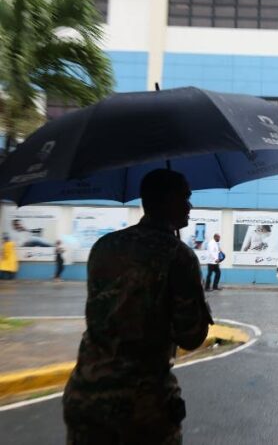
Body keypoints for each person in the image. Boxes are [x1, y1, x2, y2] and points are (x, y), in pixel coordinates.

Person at [63, 169, 213, 444]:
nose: (190, 206)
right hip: (141, 408)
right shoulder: (179, 256)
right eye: (185, 198)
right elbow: (191, 336)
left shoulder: (104, 246)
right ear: (167, 202)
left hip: (84, 397)